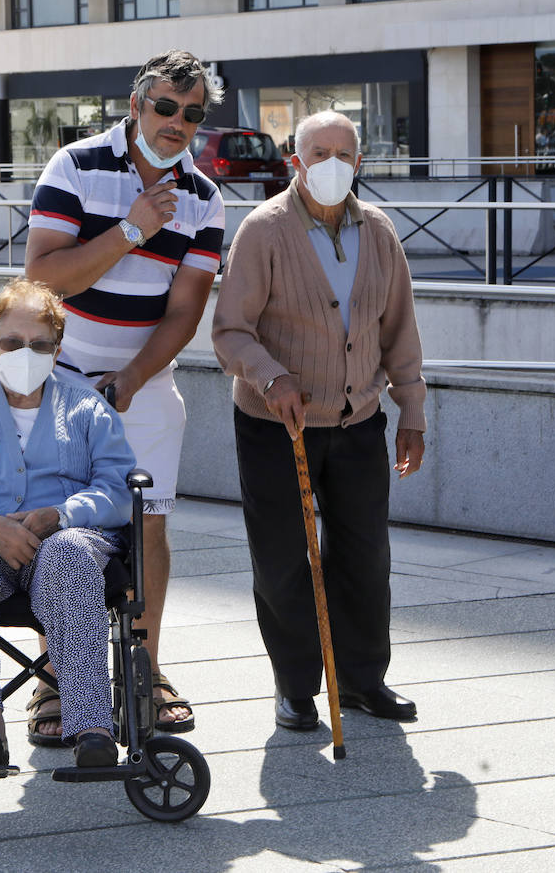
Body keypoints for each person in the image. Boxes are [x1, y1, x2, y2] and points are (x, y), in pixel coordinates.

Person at [22, 49, 225, 743]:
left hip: (146, 383)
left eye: (192, 113)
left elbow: (185, 312)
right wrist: (133, 230)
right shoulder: (74, 167)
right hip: (58, 382)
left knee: (149, 528)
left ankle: (143, 667)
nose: (178, 122)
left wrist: (135, 379)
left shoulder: (204, 196)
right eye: (166, 106)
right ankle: (56, 679)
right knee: (55, 524)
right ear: (135, 105)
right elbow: (45, 280)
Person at [212, 110, 427, 732]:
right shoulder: (263, 231)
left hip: (359, 420)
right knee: (283, 556)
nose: (331, 164)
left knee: (365, 554)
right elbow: (230, 331)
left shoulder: (381, 233)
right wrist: (270, 376)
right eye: (318, 152)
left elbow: (400, 332)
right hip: (277, 425)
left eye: (344, 153)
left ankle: (362, 681)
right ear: (294, 160)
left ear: (359, 163)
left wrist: (410, 409)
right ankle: (297, 685)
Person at [0, 278, 135, 768]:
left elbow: (118, 490)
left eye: (39, 345)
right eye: (13, 343)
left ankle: (92, 726)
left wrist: (60, 515)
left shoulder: (88, 408)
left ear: (57, 351)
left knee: (69, 553)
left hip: (64, 547)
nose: (25, 353)